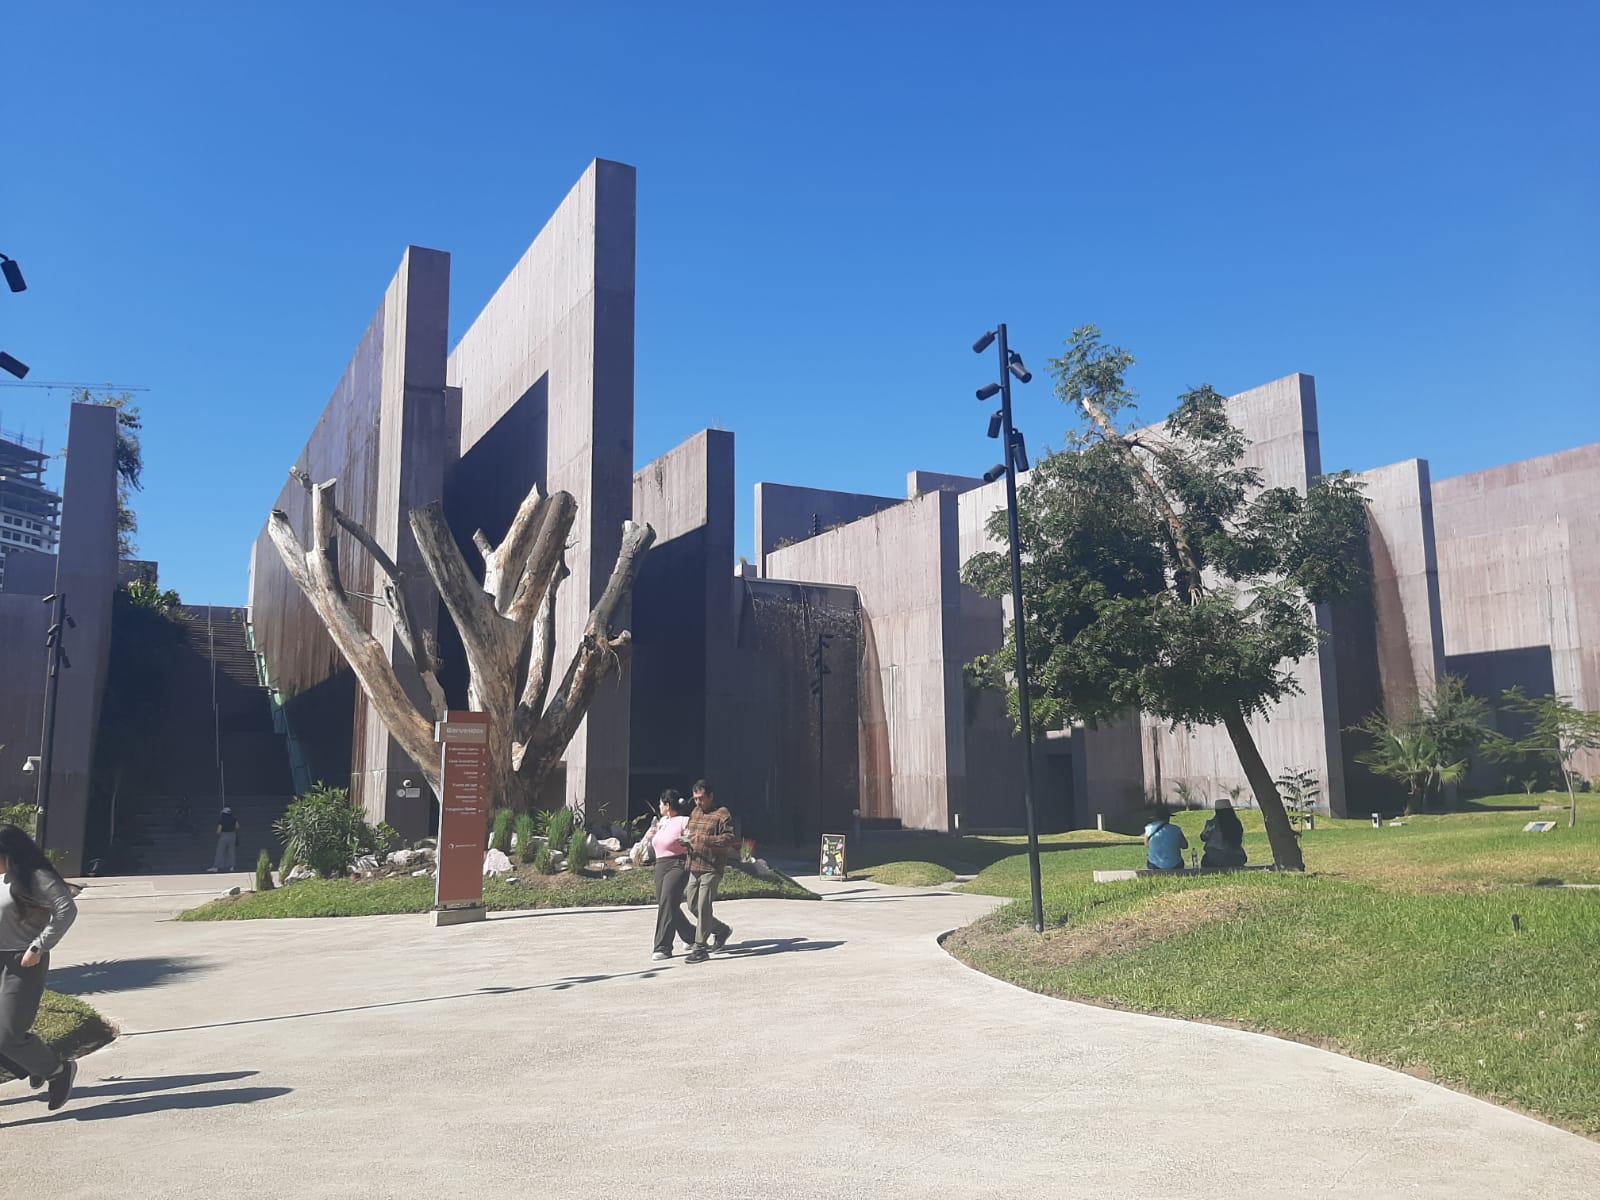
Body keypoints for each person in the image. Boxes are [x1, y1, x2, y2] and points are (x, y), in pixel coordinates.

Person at [0, 823, 79, 1111]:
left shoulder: (36, 877)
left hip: (22, 961)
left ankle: (58, 1072)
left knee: (7, 1035)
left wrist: (38, 946)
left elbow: (66, 909)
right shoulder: (2, 877)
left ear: (11, 854)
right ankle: (29, 1064)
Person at [682, 780, 736, 963]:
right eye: (695, 798)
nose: (698, 802)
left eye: (701, 798)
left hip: (712, 867)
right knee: (692, 905)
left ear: (711, 796)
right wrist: (685, 841)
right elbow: (690, 833)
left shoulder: (722, 813)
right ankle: (721, 930)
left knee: (704, 905)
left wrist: (705, 839)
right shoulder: (695, 812)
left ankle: (700, 948)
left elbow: (729, 839)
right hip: (694, 865)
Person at [647, 790, 698, 961]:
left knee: (668, 900)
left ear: (668, 805)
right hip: (661, 865)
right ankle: (691, 935)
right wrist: (649, 837)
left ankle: (663, 946)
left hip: (678, 863)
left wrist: (688, 839)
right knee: (666, 902)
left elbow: (694, 839)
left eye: (661, 803)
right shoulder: (662, 821)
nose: (659, 806)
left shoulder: (684, 821)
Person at [1200, 798, 1248, 869]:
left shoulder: (1212, 823)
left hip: (1216, 858)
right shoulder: (1236, 823)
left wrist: (1207, 831)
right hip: (1237, 857)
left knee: (1206, 860)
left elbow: (1203, 837)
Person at [1143, 806, 1189, 872]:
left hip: (1155, 865)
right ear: (1168, 817)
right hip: (1175, 865)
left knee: (1150, 860)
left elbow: (1146, 844)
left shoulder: (1149, 828)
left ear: (1156, 817)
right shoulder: (1176, 829)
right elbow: (1185, 846)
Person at [208, 805, 238, 873]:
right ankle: (232, 866)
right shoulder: (234, 818)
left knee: (220, 851)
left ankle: (216, 867)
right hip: (232, 835)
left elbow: (219, 830)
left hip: (224, 835)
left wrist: (218, 833)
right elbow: (237, 826)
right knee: (231, 851)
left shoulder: (222, 819)